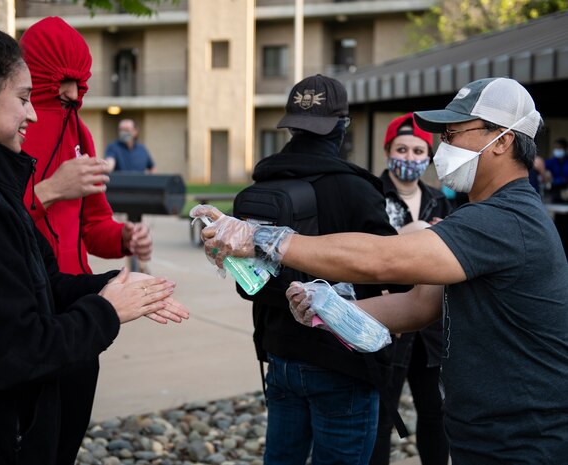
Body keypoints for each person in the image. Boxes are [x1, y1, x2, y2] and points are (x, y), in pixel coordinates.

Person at [195, 77, 568, 464]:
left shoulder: (508, 220)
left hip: (525, 441)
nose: (444, 147)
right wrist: (329, 309)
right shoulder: (480, 215)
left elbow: (383, 259)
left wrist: (265, 239)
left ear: (503, 140)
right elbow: (421, 304)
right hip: (485, 434)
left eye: (453, 133)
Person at [0, 3, 188, 464]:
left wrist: (112, 281)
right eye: (24, 99)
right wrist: (106, 310)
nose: (36, 115)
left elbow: (43, 274)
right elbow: (20, 352)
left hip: (30, 360)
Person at [236, 74, 403, 465]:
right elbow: (395, 275)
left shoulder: (264, 182)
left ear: (292, 126)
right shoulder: (356, 188)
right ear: (341, 127)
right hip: (341, 360)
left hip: (279, 353)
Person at [18, 16, 156, 464]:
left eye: (80, 83)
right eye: (63, 82)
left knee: (69, 433)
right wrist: (51, 189)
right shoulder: (10, 132)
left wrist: (126, 238)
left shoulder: (81, 133)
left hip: (80, 306)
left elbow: (93, 226)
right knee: (26, 437)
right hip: (25, 309)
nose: (74, 95)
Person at [370, 113, 451, 465]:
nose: (410, 157)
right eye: (401, 148)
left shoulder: (439, 200)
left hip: (431, 326)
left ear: (428, 157)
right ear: (387, 150)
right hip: (387, 323)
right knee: (381, 417)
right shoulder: (369, 197)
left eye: (419, 150)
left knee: (435, 413)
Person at [544, 137, 568, 202]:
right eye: (556, 148)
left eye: (559, 148)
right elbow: (543, 169)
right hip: (554, 190)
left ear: (565, 149)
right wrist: (545, 172)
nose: (557, 150)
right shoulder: (551, 161)